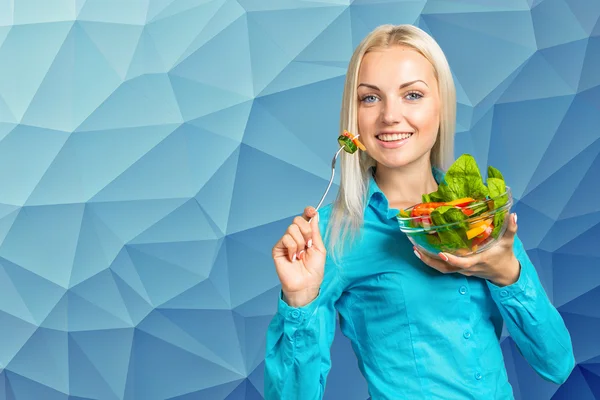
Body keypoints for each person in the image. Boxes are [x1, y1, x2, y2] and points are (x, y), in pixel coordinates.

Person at [264, 24, 575, 400]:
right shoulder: (331, 235)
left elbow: (557, 364)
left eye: (412, 94)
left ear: (441, 106)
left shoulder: (476, 213)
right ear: (354, 118)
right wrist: (299, 300)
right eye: (370, 99)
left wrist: (506, 273)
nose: (390, 116)